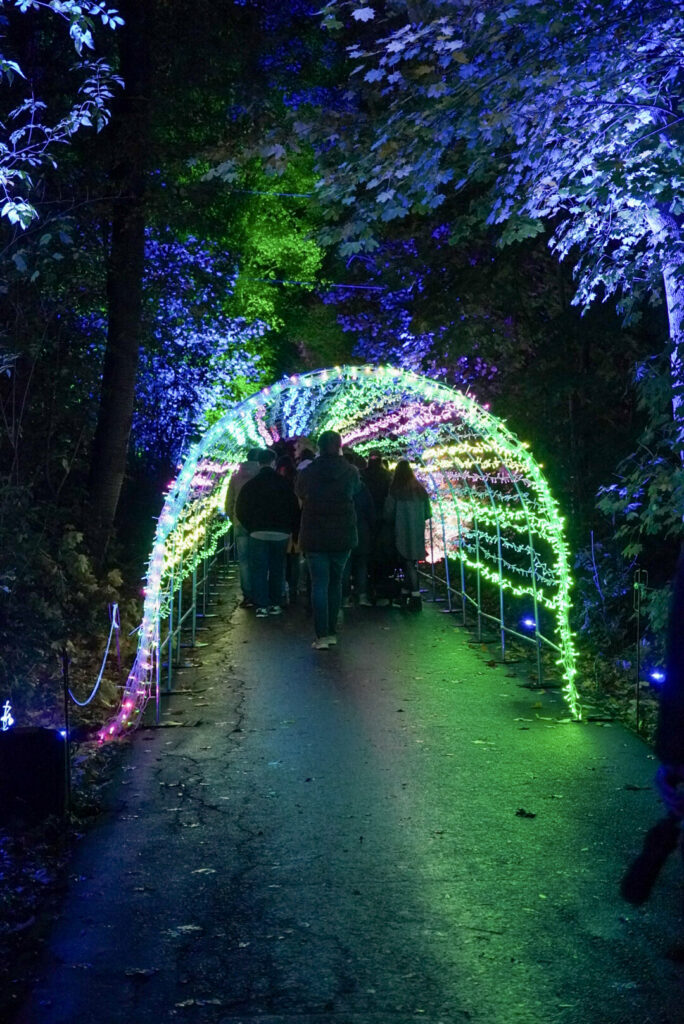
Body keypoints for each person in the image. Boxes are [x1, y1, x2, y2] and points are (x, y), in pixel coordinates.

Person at [296, 430, 360, 649]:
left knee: (319, 584)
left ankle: (321, 635)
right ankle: (332, 631)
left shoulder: (309, 471)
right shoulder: (351, 471)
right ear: (339, 446)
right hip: (342, 534)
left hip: (315, 534)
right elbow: (356, 492)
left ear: (319, 448)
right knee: (335, 583)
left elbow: (300, 492)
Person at [235, 448, 300, 618]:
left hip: (257, 533)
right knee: (277, 567)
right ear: (273, 462)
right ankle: (275, 603)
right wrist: (292, 529)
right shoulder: (284, 484)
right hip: (280, 533)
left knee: (259, 569)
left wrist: (251, 527)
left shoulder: (251, 485)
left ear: (259, 463)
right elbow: (294, 507)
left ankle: (261, 605)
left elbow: (240, 509)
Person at [383, 459, 432, 612]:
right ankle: (406, 594)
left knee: (407, 563)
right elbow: (427, 513)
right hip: (416, 532)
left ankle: (415, 597)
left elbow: (388, 513)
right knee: (410, 563)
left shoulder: (396, 491)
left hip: (400, 532)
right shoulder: (420, 490)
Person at [225, 448, 261, 607]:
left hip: (239, 522)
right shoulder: (262, 475)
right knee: (259, 560)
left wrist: (233, 518)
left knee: (244, 560)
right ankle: (261, 593)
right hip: (258, 523)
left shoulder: (235, 477)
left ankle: (248, 596)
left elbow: (228, 502)